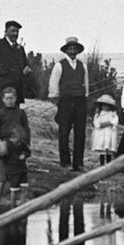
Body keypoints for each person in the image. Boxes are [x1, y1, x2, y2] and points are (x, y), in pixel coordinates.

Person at [48, 36, 89, 169]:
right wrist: (57, 100)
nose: (72, 51)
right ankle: (65, 162)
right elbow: (53, 85)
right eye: (70, 49)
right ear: (66, 51)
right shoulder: (59, 65)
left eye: (74, 49)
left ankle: (78, 163)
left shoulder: (83, 65)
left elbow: (86, 84)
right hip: (65, 102)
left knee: (80, 132)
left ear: (77, 51)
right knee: (64, 132)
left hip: (80, 101)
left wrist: (84, 96)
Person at [0, 86, 32, 214]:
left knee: (20, 174)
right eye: (7, 98)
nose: (9, 101)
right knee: (1, 176)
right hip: (4, 145)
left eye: (12, 98)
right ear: (3, 100)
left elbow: (26, 129)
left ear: (16, 99)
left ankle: (19, 206)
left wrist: (27, 144)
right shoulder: (0, 114)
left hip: (18, 145)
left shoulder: (21, 113)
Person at [0, 20, 32, 109]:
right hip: (2, 90)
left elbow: (25, 66)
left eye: (17, 31)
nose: (15, 34)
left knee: (15, 117)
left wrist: (26, 71)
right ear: (6, 32)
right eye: (13, 31)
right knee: (3, 116)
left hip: (16, 91)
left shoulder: (20, 49)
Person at [90, 93, 121, 166]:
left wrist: (110, 123)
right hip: (101, 133)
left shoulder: (112, 114)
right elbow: (96, 122)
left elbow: (115, 121)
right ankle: (102, 164)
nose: (105, 107)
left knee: (108, 149)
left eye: (107, 105)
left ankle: (108, 164)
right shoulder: (99, 114)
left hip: (109, 133)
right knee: (102, 149)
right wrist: (101, 125)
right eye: (104, 105)